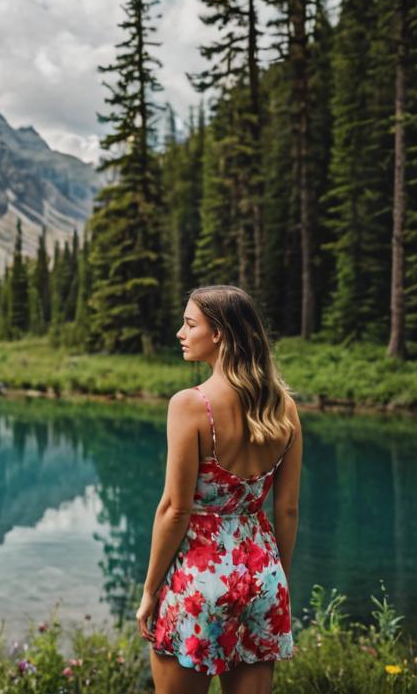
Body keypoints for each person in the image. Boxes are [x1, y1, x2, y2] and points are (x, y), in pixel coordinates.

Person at [136, 285, 303, 694]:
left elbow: (174, 509)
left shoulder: (190, 404)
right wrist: (276, 578)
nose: (180, 332)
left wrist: (149, 589)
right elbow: (288, 510)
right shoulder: (284, 406)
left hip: (200, 577)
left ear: (220, 334)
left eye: (190, 324)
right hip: (263, 573)